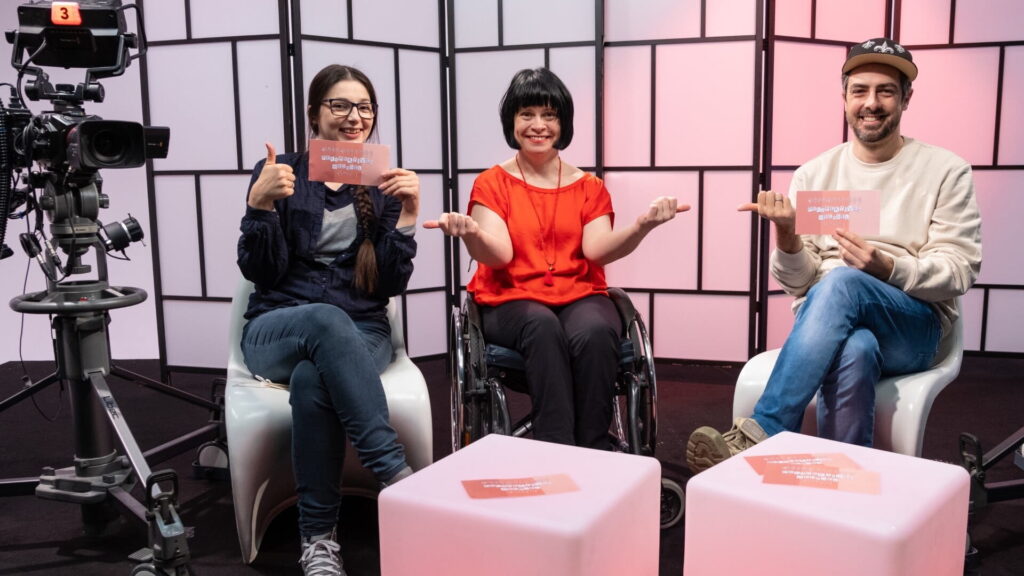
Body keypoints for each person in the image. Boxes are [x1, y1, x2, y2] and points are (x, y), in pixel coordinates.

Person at [686, 38, 982, 473]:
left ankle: (764, 429)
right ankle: (842, 481)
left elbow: (960, 269)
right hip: (834, 323)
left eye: (886, 91)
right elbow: (801, 283)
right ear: (844, 98)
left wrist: (888, 268)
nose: (871, 103)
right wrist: (787, 235)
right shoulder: (815, 173)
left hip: (914, 328)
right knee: (855, 347)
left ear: (906, 99)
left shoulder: (945, 170)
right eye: (860, 90)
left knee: (843, 281)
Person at [426, 68, 688, 449]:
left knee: (596, 331)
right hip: (511, 298)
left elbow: (597, 249)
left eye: (549, 115)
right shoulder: (492, 183)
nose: (538, 125)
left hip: (579, 294)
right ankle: (556, 449)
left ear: (563, 122)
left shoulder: (589, 187)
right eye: (527, 114)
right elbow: (499, 255)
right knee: (542, 327)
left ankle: (593, 446)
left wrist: (641, 226)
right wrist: (472, 234)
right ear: (512, 121)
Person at [237, 64, 421, 576]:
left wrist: (407, 216)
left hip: (362, 330)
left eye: (364, 107)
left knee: (312, 379)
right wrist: (259, 206)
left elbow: (387, 285)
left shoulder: (383, 183)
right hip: (277, 326)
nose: (354, 117)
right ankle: (396, 473)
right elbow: (259, 272)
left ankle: (318, 538)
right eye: (339, 105)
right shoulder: (280, 171)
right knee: (322, 318)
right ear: (315, 114)